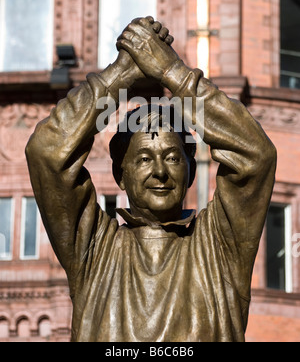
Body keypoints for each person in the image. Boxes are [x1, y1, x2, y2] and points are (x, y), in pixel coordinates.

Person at [25, 17, 277, 342]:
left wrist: (172, 73)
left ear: (191, 172)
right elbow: (47, 151)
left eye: (172, 157)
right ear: (120, 175)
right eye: (144, 158)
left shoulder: (219, 247)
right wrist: (121, 76)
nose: (160, 171)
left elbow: (256, 156)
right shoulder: (93, 250)